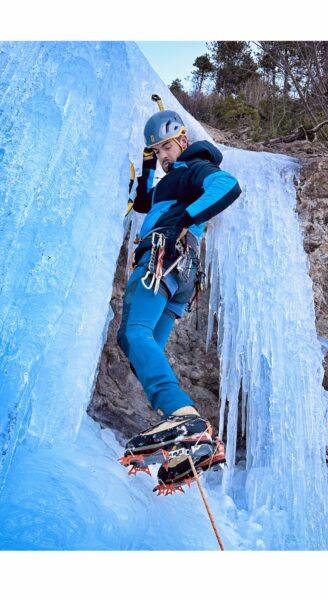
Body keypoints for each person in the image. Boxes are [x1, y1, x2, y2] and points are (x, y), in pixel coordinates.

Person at [117, 110, 241, 482]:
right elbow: (144, 203)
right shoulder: (173, 181)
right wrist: (146, 165)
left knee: (132, 332)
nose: (164, 156)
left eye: (166, 147)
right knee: (141, 349)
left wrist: (180, 221)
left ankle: (183, 416)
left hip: (163, 257)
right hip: (181, 276)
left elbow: (227, 185)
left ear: (183, 141)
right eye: (158, 151)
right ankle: (188, 445)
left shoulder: (192, 169)